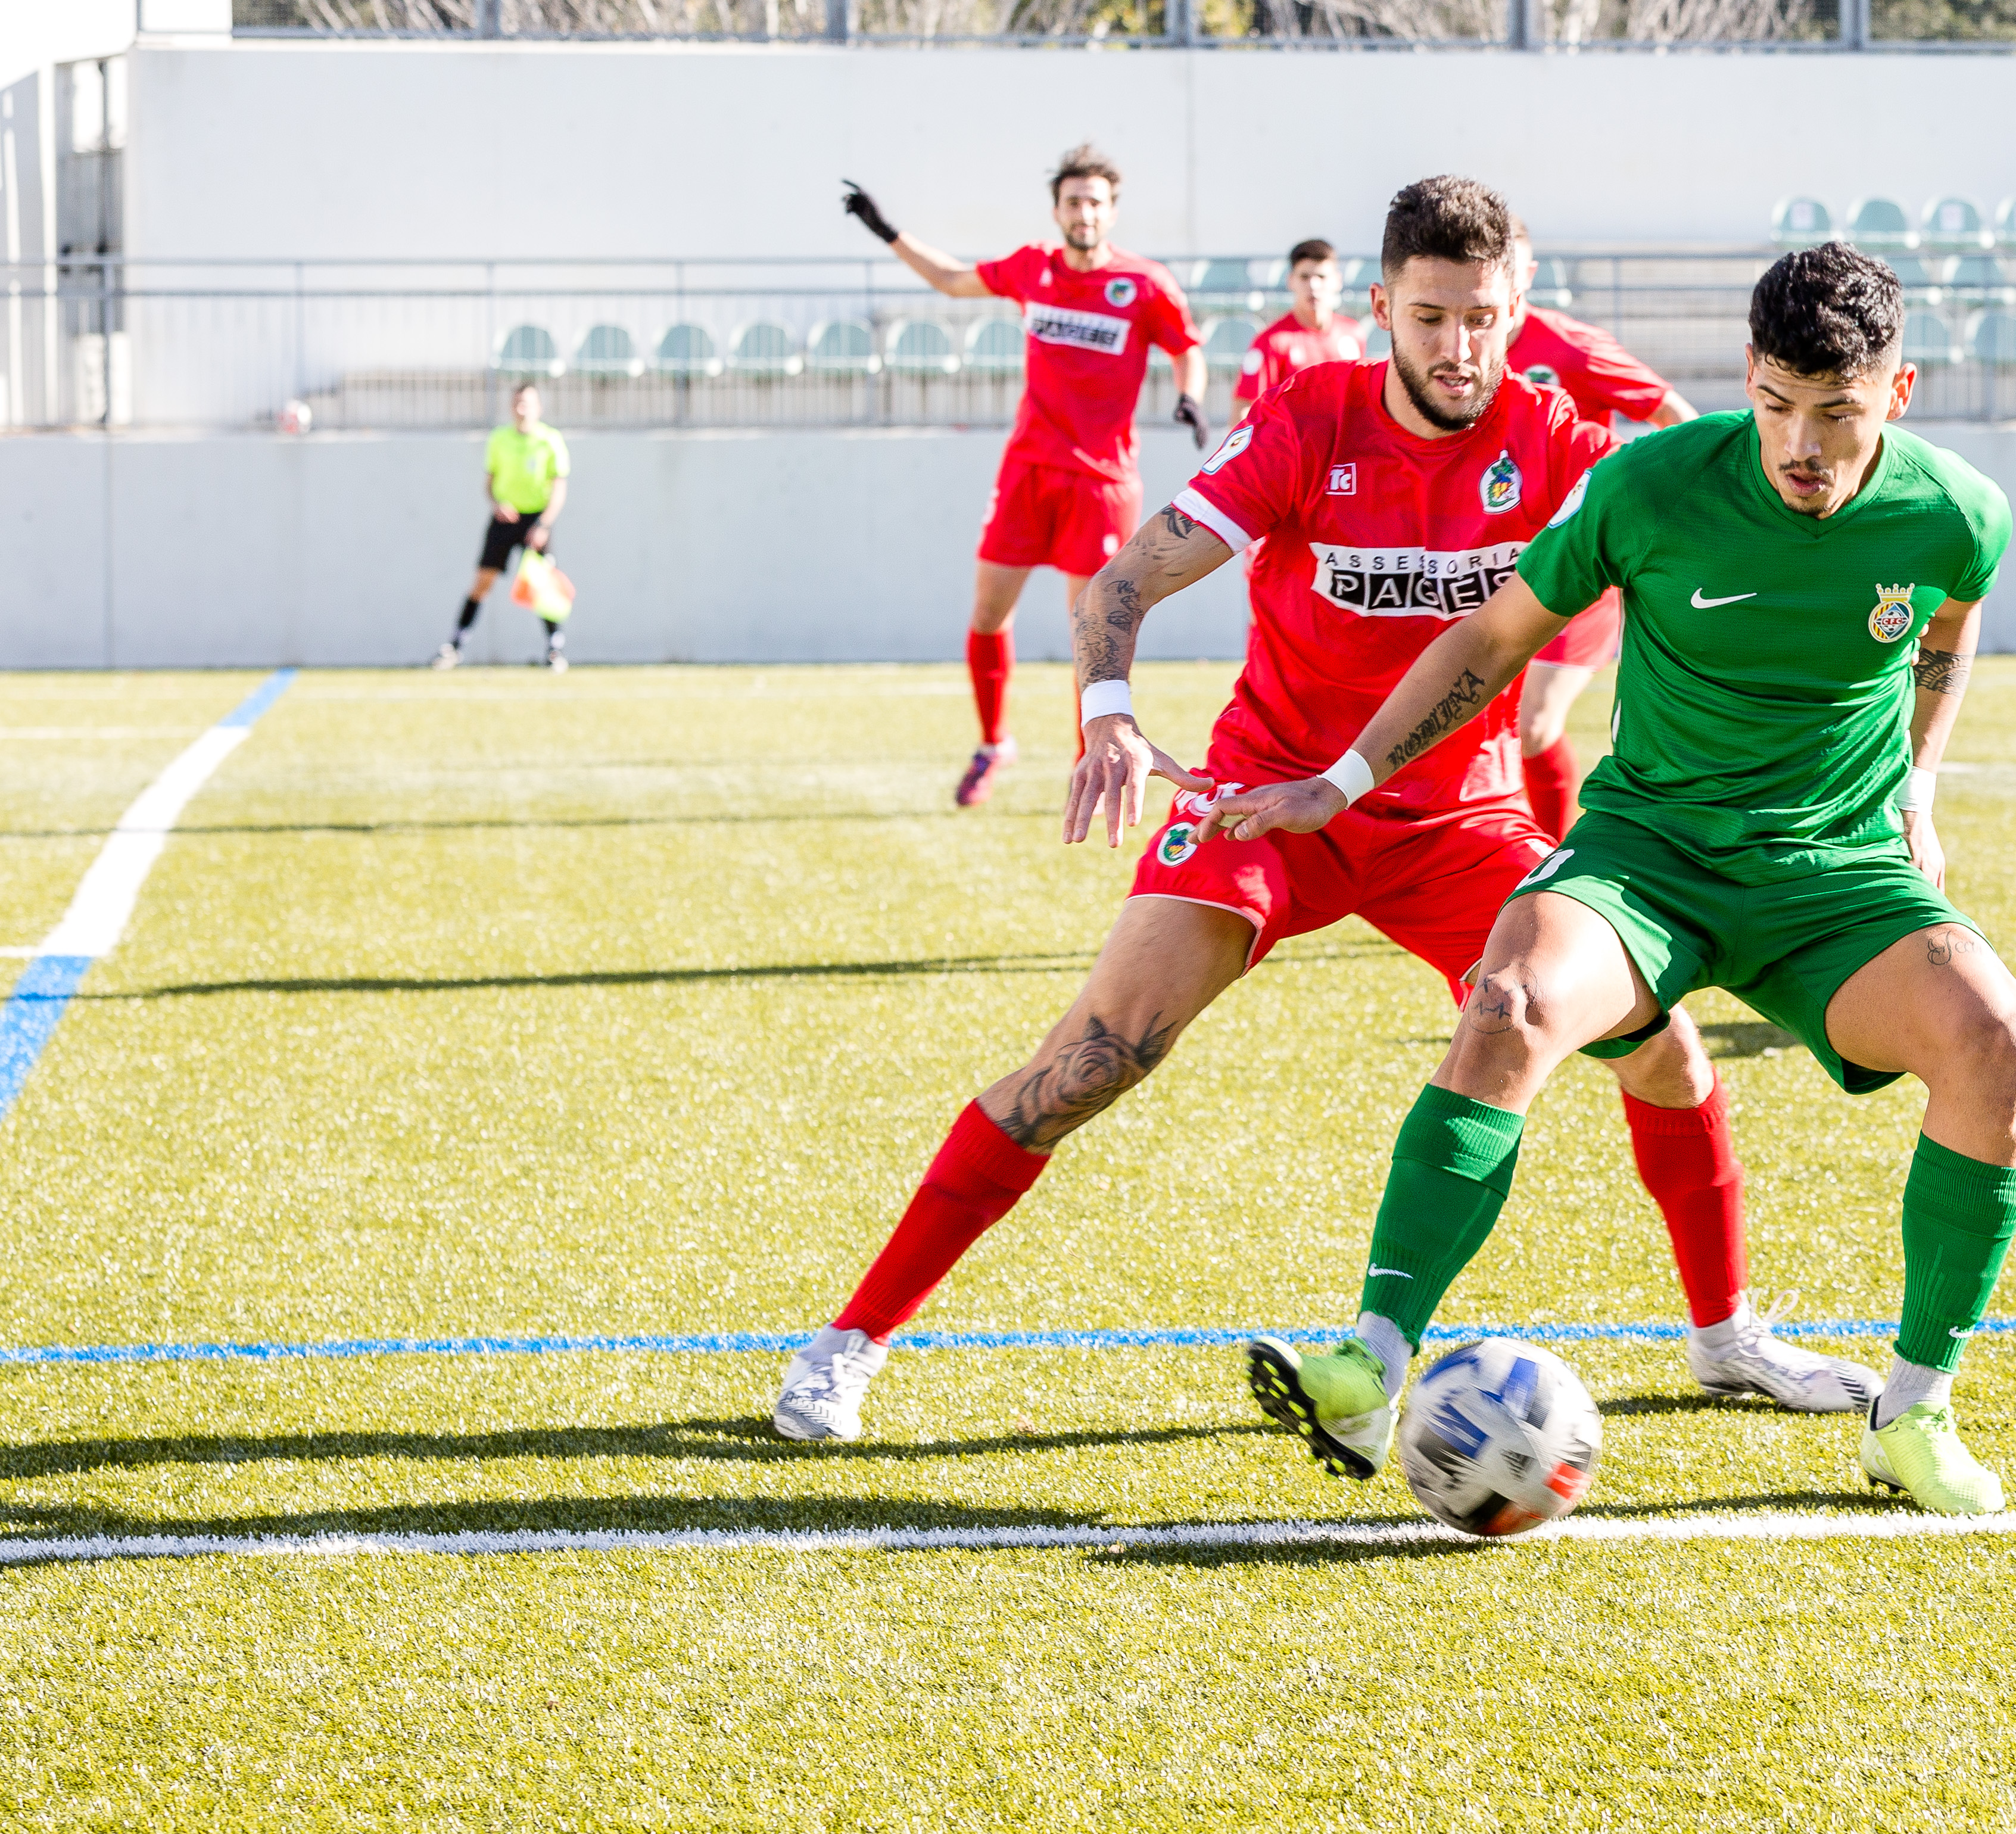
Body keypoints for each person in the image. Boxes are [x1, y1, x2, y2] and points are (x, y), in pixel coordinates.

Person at [771, 178, 1880, 1447]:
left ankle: (1725, 1337)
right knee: (1096, 1055)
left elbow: (1716, 484)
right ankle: (847, 1343)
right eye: (1427, 319)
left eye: (1481, 319)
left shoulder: (1551, 435)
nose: (1456, 349)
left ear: (1516, 311)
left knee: (1661, 1050)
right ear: (1380, 310)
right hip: (1266, 800)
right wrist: (1108, 713)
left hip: (1459, 818)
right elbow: (1118, 584)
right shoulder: (1310, 418)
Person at [1219, 242, 2016, 1518]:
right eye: (1772, 405)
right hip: (1647, 855)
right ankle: (1365, 1363)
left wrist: (1917, 783)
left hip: (1833, 872)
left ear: (1897, 392)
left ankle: (1911, 1412)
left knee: (1994, 1040)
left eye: (1834, 412)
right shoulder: (1649, 486)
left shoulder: (1957, 511)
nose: (1797, 446)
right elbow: (1493, 636)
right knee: (1509, 1006)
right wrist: (1340, 779)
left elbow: (1947, 622)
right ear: (1745, 385)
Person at [841, 145, 1211, 805]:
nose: (1084, 213)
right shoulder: (1031, 269)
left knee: (1091, 625)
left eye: (1095, 202)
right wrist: (886, 231)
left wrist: (1189, 394)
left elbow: (1186, 349)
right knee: (987, 612)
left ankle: (1088, 758)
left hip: (1102, 482)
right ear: (1058, 210)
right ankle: (993, 744)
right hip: (1027, 471)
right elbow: (954, 281)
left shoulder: (1145, 284)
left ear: (1111, 212)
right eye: (1074, 201)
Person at [1501, 220, 1701, 836]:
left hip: (1578, 564)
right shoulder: (1459, 355)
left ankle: (1552, 864)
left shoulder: (1572, 346)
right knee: (1494, 734)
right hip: (1494, 566)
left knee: (1534, 723)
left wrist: (1671, 507)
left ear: (1527, 275)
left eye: (1510, 266)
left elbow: (1672, 413)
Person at [434, 382, 570, 672]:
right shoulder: (499, 439)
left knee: (542, 586)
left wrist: (544, 524)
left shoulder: (550, 440)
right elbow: (489, 485)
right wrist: (498, 504)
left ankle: (555, 651)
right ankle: (455, 647)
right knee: (483, 582)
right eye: (517, 403)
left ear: (538, 408)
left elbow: (559, 488)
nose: (522, 410)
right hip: (504, 520)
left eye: (528, 404)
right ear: (511, 407)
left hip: (536, 520)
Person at [1232, 238, 1368, 416]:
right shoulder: (1271, 342)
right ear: (1291, 281)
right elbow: (1244, 409)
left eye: (1321, 277)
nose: (1313, 286)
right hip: (1292, 443)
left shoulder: (1353, 333)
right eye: (1305, 277)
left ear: (1337, 281)